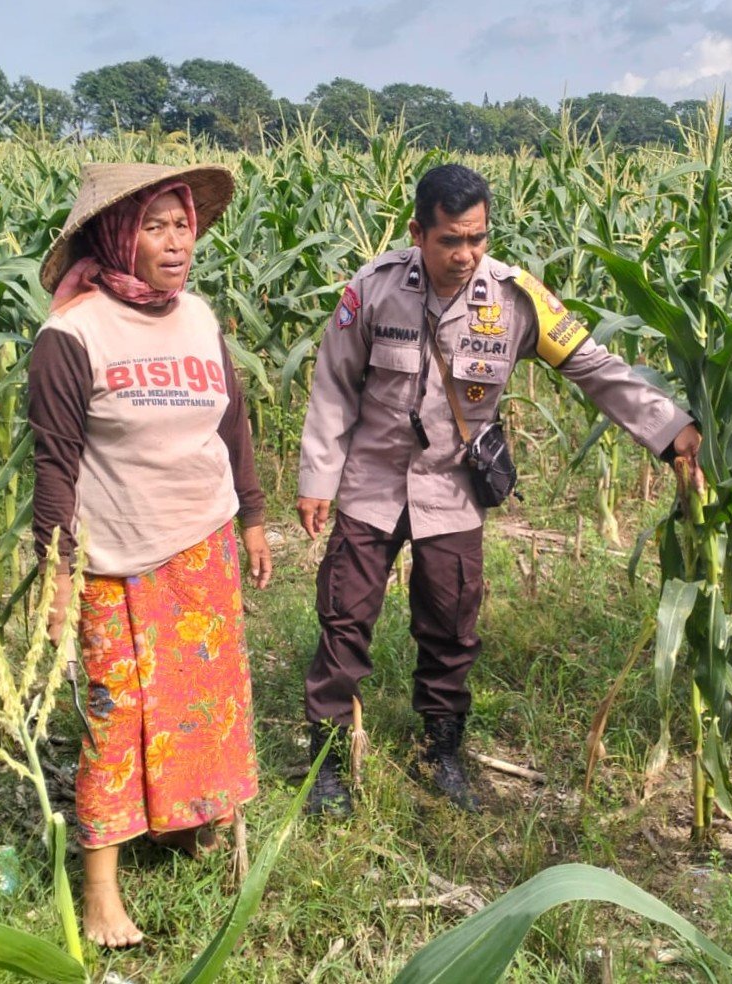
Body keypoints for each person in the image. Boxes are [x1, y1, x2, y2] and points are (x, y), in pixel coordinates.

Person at [296, 163, 702, 817]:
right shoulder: (371, 291)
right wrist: (317, 480)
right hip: (370, 481)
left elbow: (593, 367)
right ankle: (327, 764)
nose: (465, 255)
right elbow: (333, 387)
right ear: (417, 232)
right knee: (344, 620)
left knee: (451, 628)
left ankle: (441, 754)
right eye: (450, 240)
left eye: (477, 238)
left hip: (451, 488)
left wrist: (670, 429)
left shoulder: (517, 299)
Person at [28, 162, 272, 948]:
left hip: (203, 542)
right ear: (116, 235)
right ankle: (100, 891)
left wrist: (255, 518)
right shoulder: (72, 334)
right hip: (114, 559)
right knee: (115, 715)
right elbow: (54, 465)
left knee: (205, 703)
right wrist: (57, 574)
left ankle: (192, 826)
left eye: (183, 225)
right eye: (157, 227)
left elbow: (231, 425)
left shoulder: (198, 317)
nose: (177, 243)